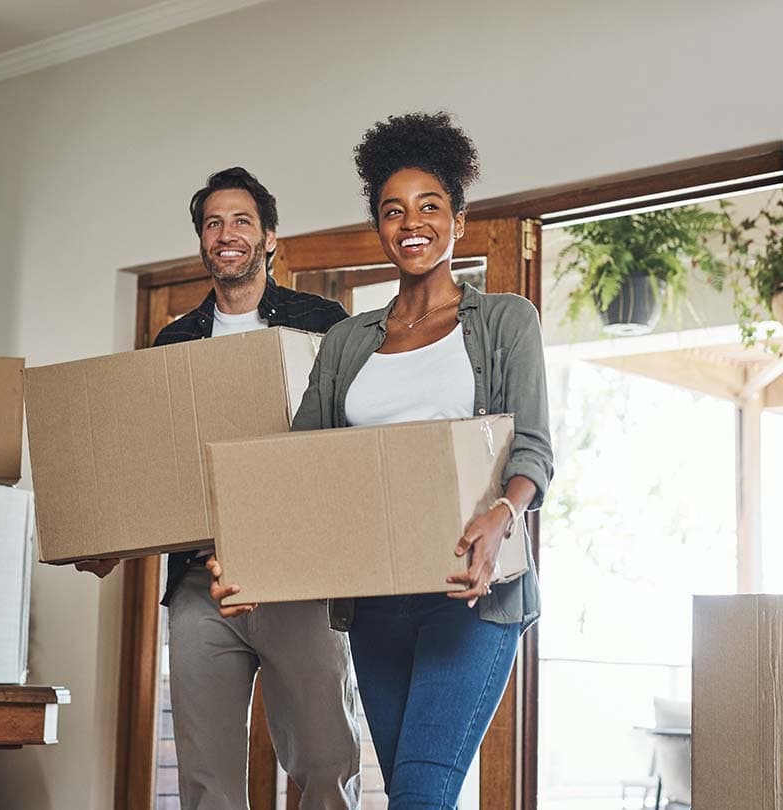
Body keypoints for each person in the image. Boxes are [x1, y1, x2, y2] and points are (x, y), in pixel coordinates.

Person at [210, 114, 554, 808]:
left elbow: (534, 448)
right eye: (393, 211)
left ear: (458, 217)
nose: (412, 223)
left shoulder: (505, 321)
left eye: (430, 206)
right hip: (374, 610)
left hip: (472, 598)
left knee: (420, 798)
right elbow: (303, 470)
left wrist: (503, 512)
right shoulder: (347, 342)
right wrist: (257, 561)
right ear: (379, 226)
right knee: (409, 792)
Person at [78, 167, 361, 810]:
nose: (225, 234)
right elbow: (157, 467)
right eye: (212, 223)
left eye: (241, 221)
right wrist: (117, 541)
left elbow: (345, 446)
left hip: (300, 580)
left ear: (268, 240)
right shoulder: (173, 341)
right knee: (206, 781)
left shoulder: (321, 324)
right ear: (202, 243)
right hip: (201, 585)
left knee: (325, 764)